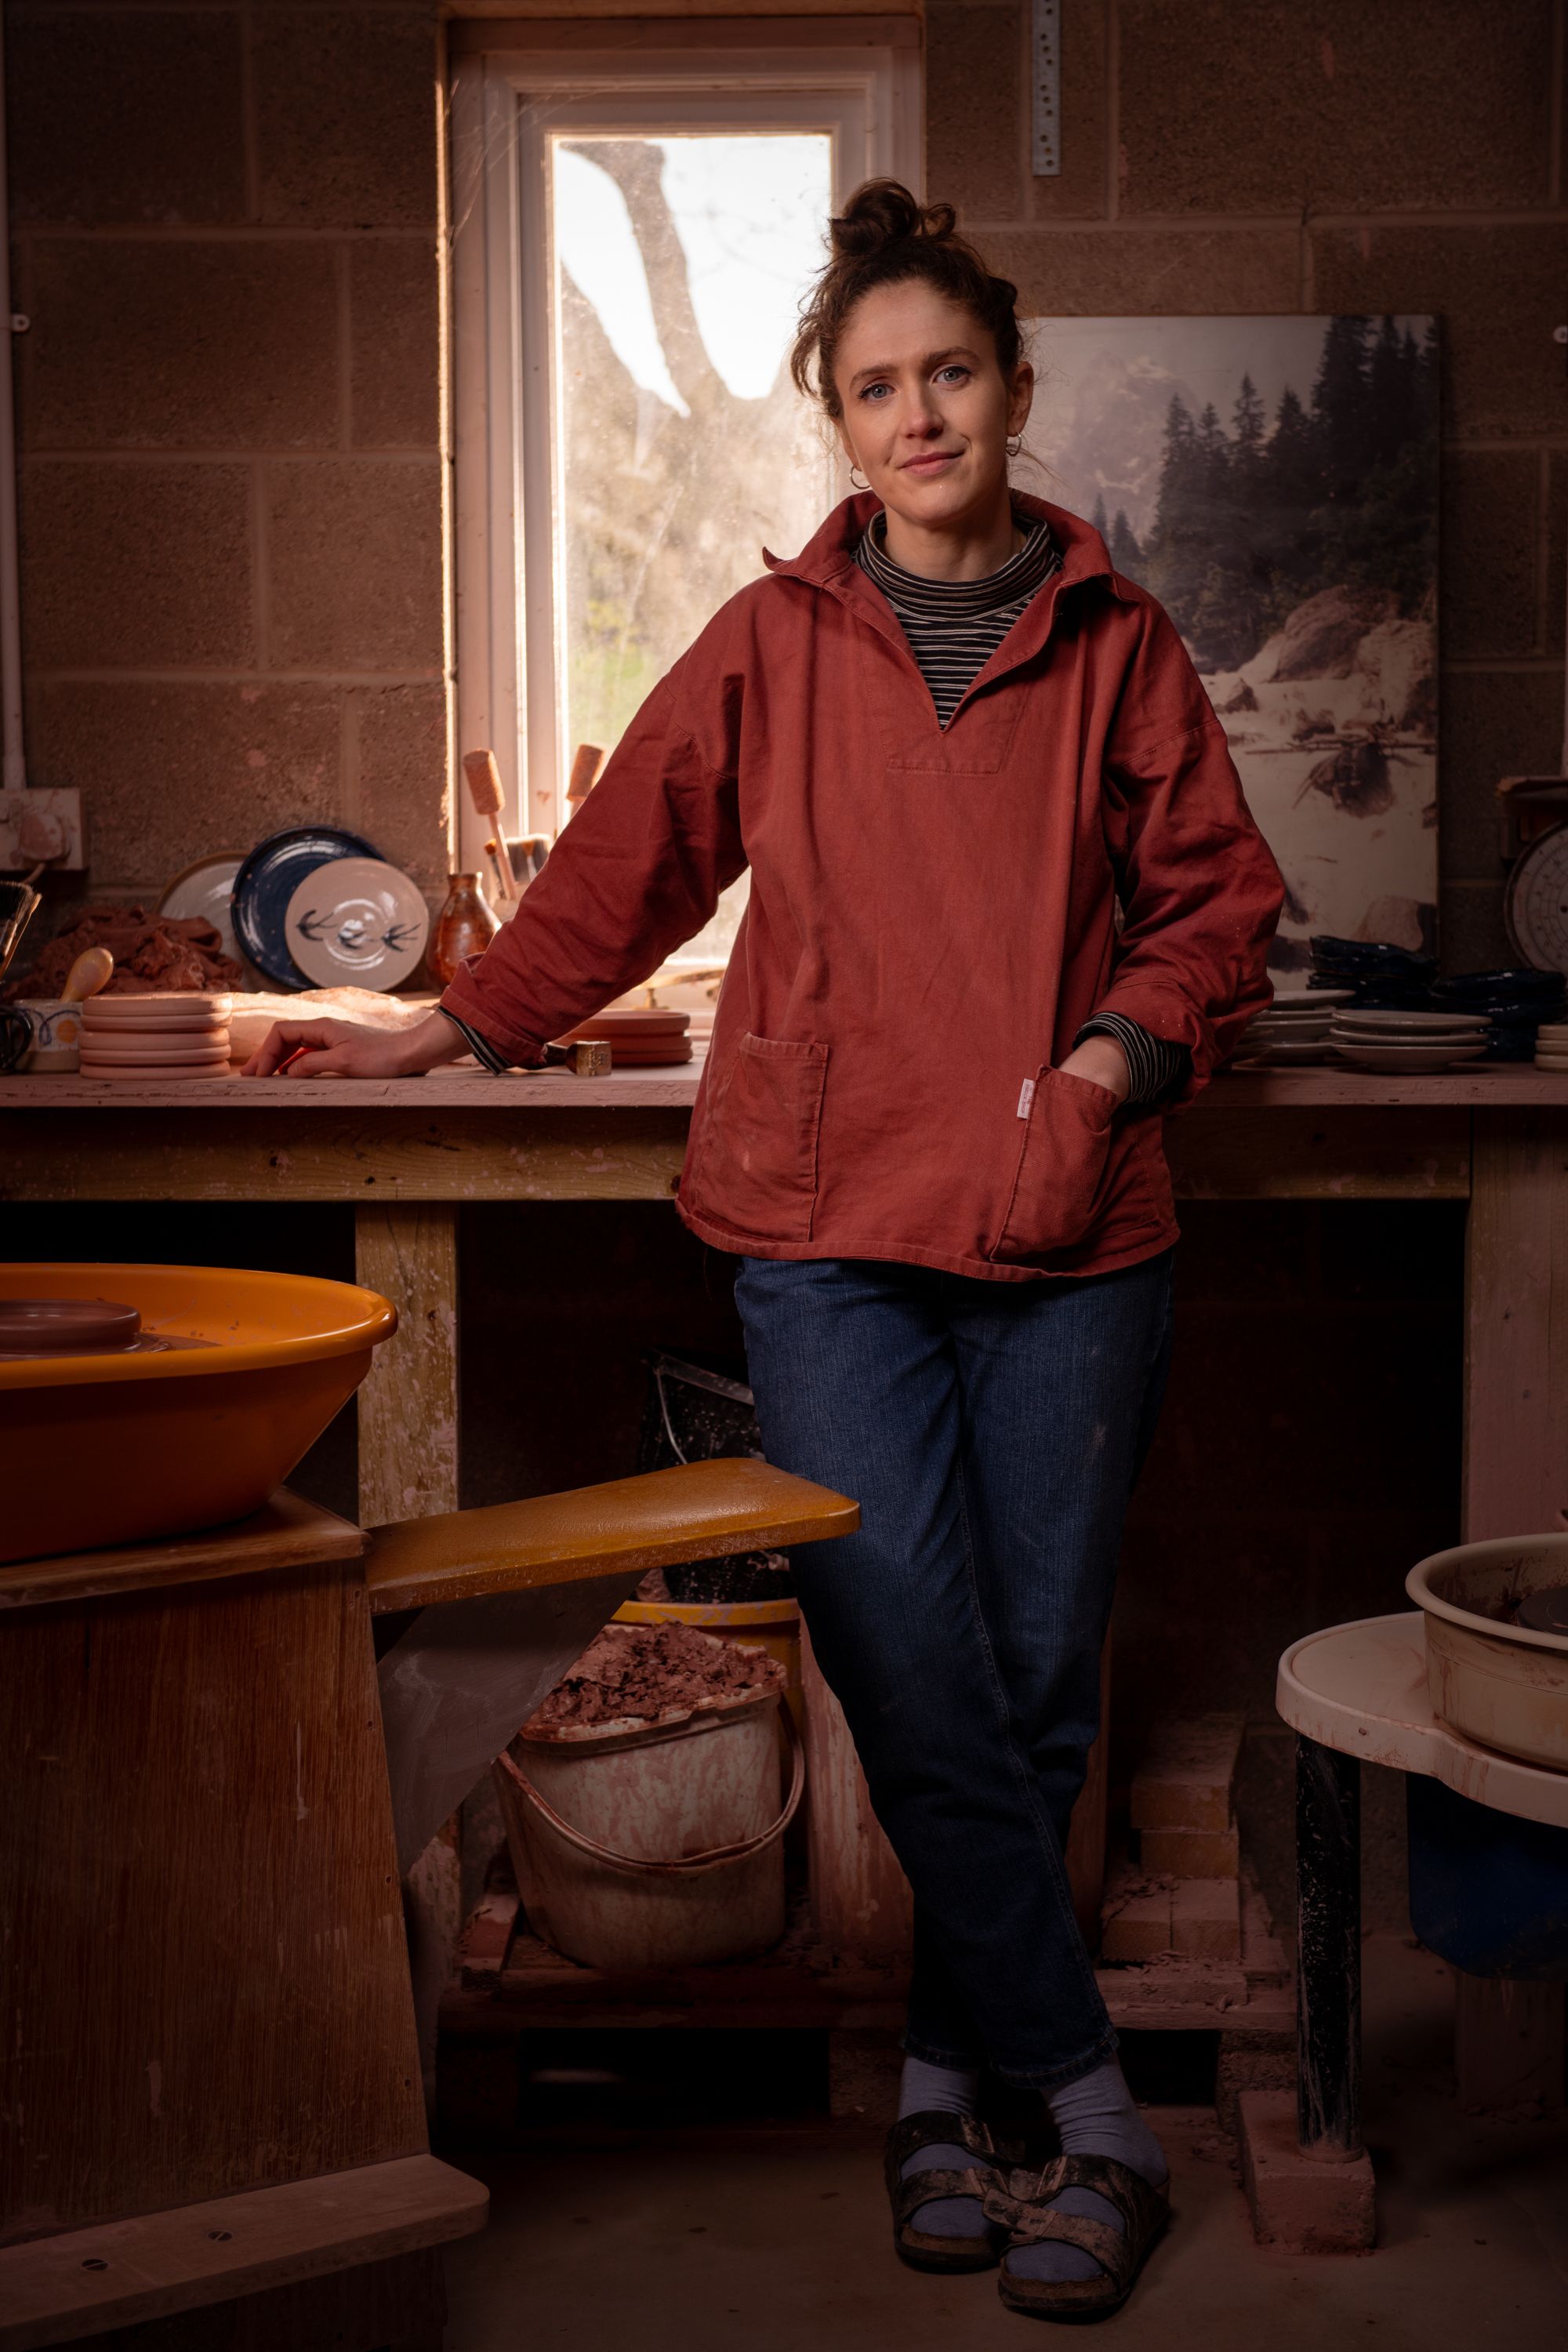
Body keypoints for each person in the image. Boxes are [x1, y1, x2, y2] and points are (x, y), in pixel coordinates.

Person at [246, 181, 1283, 2321]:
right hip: (822, 1222)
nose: (918, 415)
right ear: (836, 419)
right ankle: (1087, 2112)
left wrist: (1099, 1073)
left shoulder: (1122, 642)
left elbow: (1215, 914)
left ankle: (940, 2086)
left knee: (1023, 1683)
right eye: (875, 387)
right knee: (904, 1656)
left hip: (1077, 1231)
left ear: (1012, 384)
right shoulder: (770, 646)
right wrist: (459, 1019)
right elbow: (619, 874)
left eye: (951, 374)